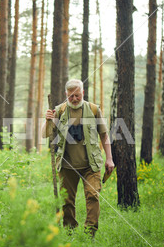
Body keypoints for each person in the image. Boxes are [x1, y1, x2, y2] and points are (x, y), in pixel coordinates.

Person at [42, 79, 115, 237]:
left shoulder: (94, 109)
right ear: (66, 95)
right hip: (67, 165)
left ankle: (90, 234)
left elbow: (104, 134)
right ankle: (70, 232)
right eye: (70, 96)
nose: (74, 99)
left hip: (91, 164)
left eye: (77, 95)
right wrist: (47, 120)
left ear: (83, 92)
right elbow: (45, 134)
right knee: (67, 201)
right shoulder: (59, 110)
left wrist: (109, 159)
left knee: (93, 195)